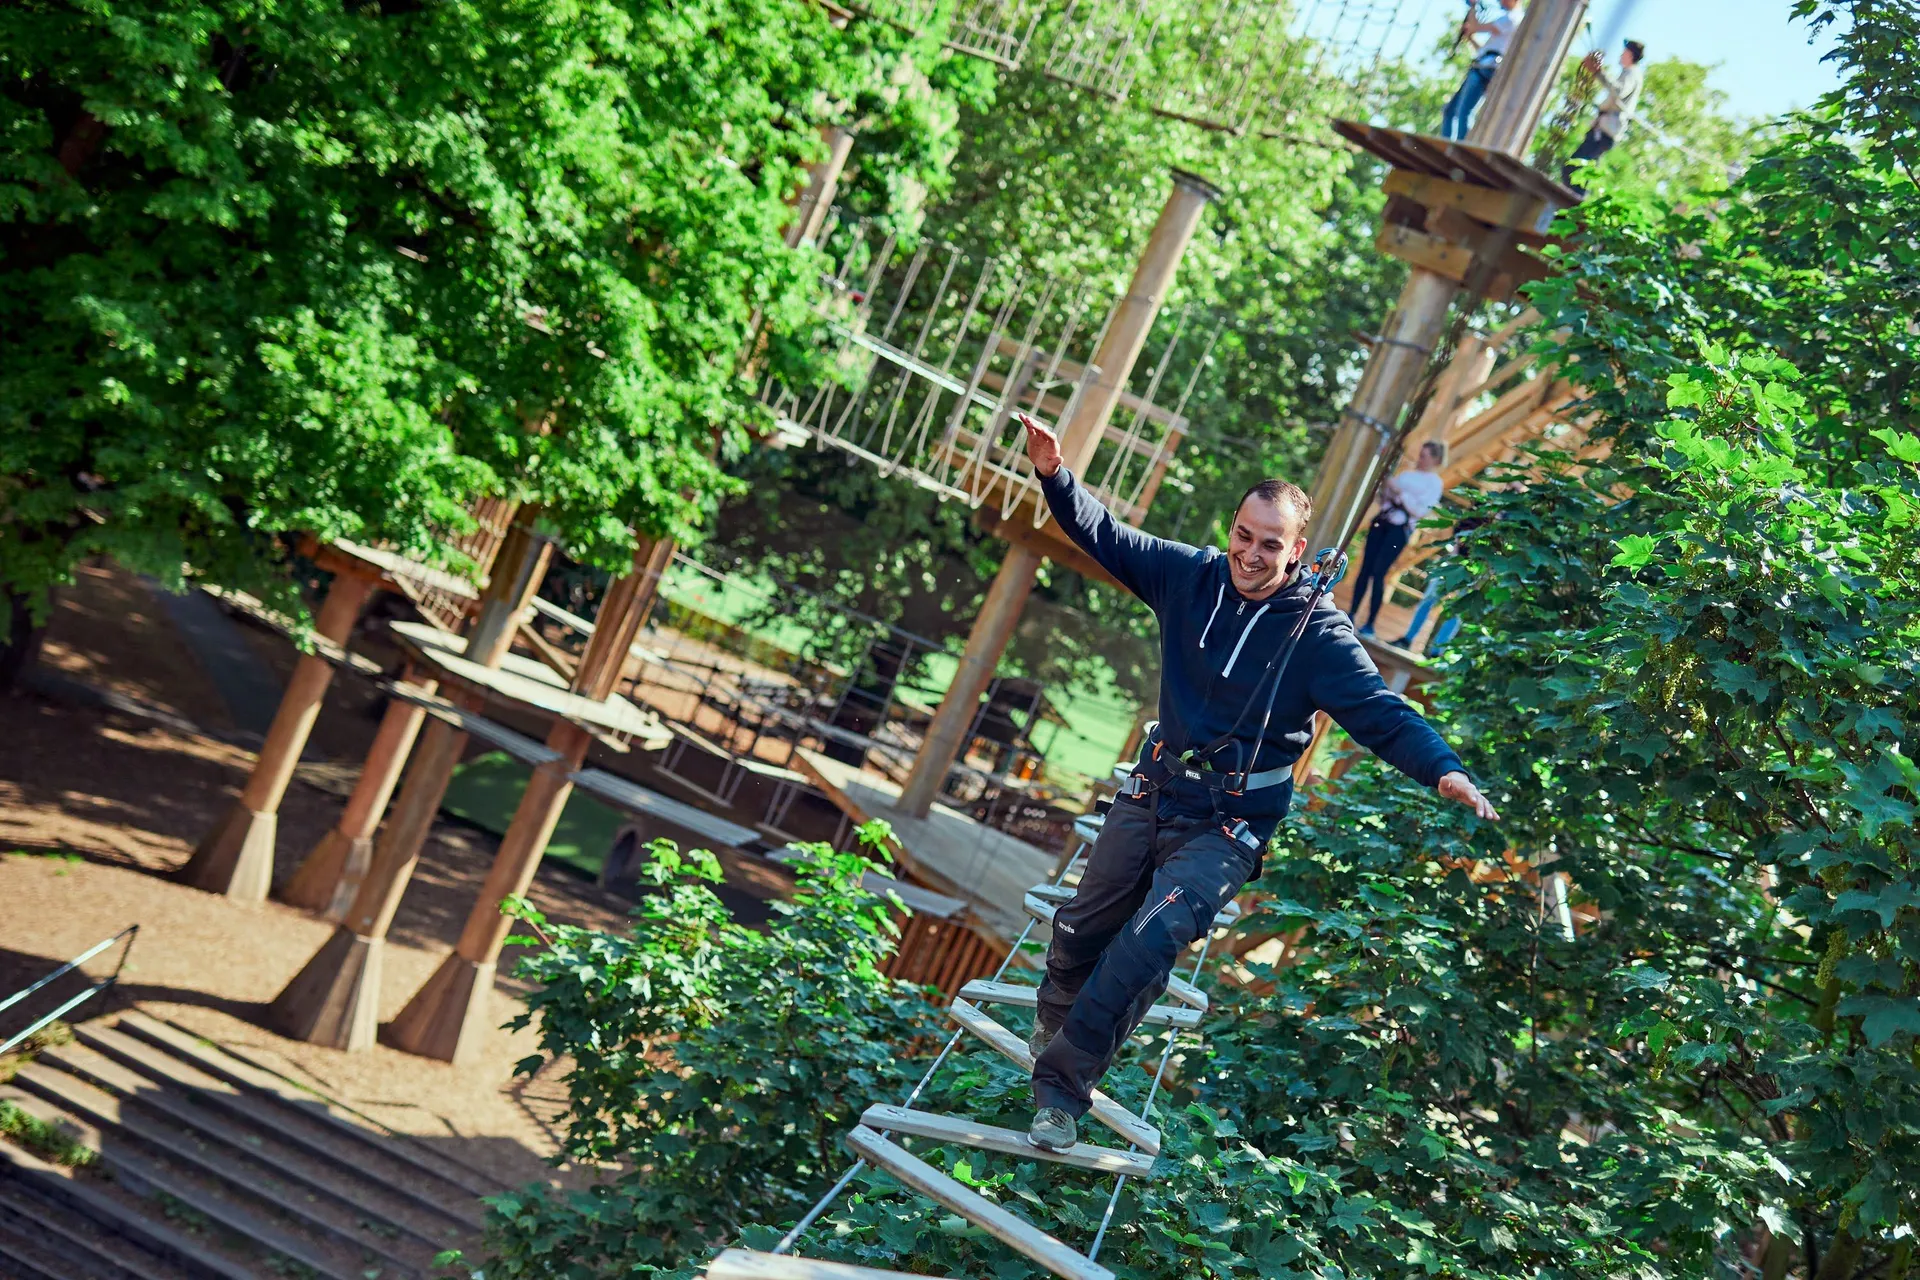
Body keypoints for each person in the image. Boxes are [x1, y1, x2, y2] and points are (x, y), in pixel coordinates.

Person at [1014, 412, 1499, 1152]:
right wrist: (1055, 475)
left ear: (1296, 550)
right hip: (1154, 790)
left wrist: (1446, 772)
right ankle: (1058, 1009)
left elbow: (1380, 713)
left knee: (1147, 942)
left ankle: (1062, 1092)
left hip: (1228, 824)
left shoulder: (1319, 635)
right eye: (1244, 535)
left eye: (1270, 545)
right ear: (1232, 529)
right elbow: (1107, 535)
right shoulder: (1190, 577)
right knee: (1081, 927)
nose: (1250, 553)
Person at [1349, 440, 1447, 638]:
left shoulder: (1434, 484)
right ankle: (1351, 614)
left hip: (1399, 529)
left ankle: (1369, 624)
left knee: (1378, 572)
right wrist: (1387, 487)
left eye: (1424, 456)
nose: (1420, 459)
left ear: (1435, 460)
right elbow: (1384, 498)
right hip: (1383, 522)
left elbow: (1420, 511)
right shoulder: (1407, 475)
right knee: (1365, 568)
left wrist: (1400, 493)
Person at [1563, 40, 1646, 193]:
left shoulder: (1632, 73)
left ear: (1630, 55)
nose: (1621, 55)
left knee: (1576, 170)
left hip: (1605, 131)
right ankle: (1574, 200)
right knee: (1580, 170)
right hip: (1603, 129)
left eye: (1624, 52)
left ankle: (1573, 202)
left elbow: (1618, 91)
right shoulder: (1630, 73)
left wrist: (1598, 72)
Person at [1440, 0, 1523, 141]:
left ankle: (1461, 146)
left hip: (1486, 68)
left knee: (1464, 111)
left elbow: (1474, 26)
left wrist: (1473, 5)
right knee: (1450, 111)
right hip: (1484, 64)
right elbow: (1484, 51)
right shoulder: (1509, 20)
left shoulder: (1511, 19)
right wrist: (1470, 38)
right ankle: (1448, 144)